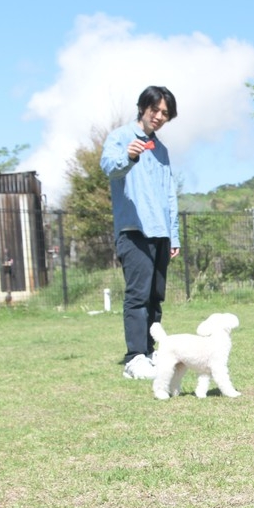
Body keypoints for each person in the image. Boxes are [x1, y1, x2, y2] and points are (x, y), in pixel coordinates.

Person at [101, 86, 181, 379]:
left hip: (161, 233)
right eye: (155, 110)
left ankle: (150, 352)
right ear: (142, 107)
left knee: (155, 296)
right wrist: (128, 156)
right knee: (137, 295)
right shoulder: (120, 137)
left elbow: (169, 194)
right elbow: (109, 168)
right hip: (133, 230)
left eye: (165, 114)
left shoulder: (162, 150)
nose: (159, 117)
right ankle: (134, 358)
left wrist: (174, 234)